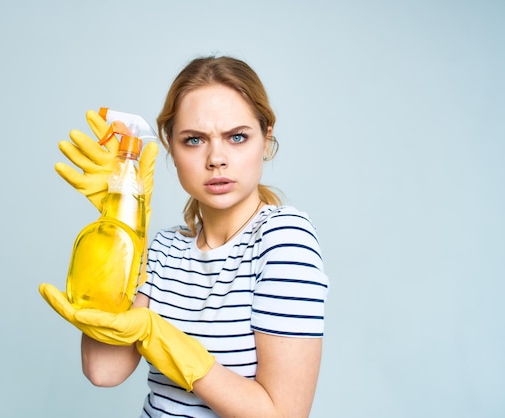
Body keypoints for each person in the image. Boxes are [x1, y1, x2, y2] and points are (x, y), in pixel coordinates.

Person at [40, 55, 330, 417]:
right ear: (170, 147)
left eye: (237, 137)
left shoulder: (283, 239)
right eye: (194, 140)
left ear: (266, 138)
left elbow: (284, 414)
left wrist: (159, 338)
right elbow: (103, 370)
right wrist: (122, 224)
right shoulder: (162, 248)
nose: (216, 159)